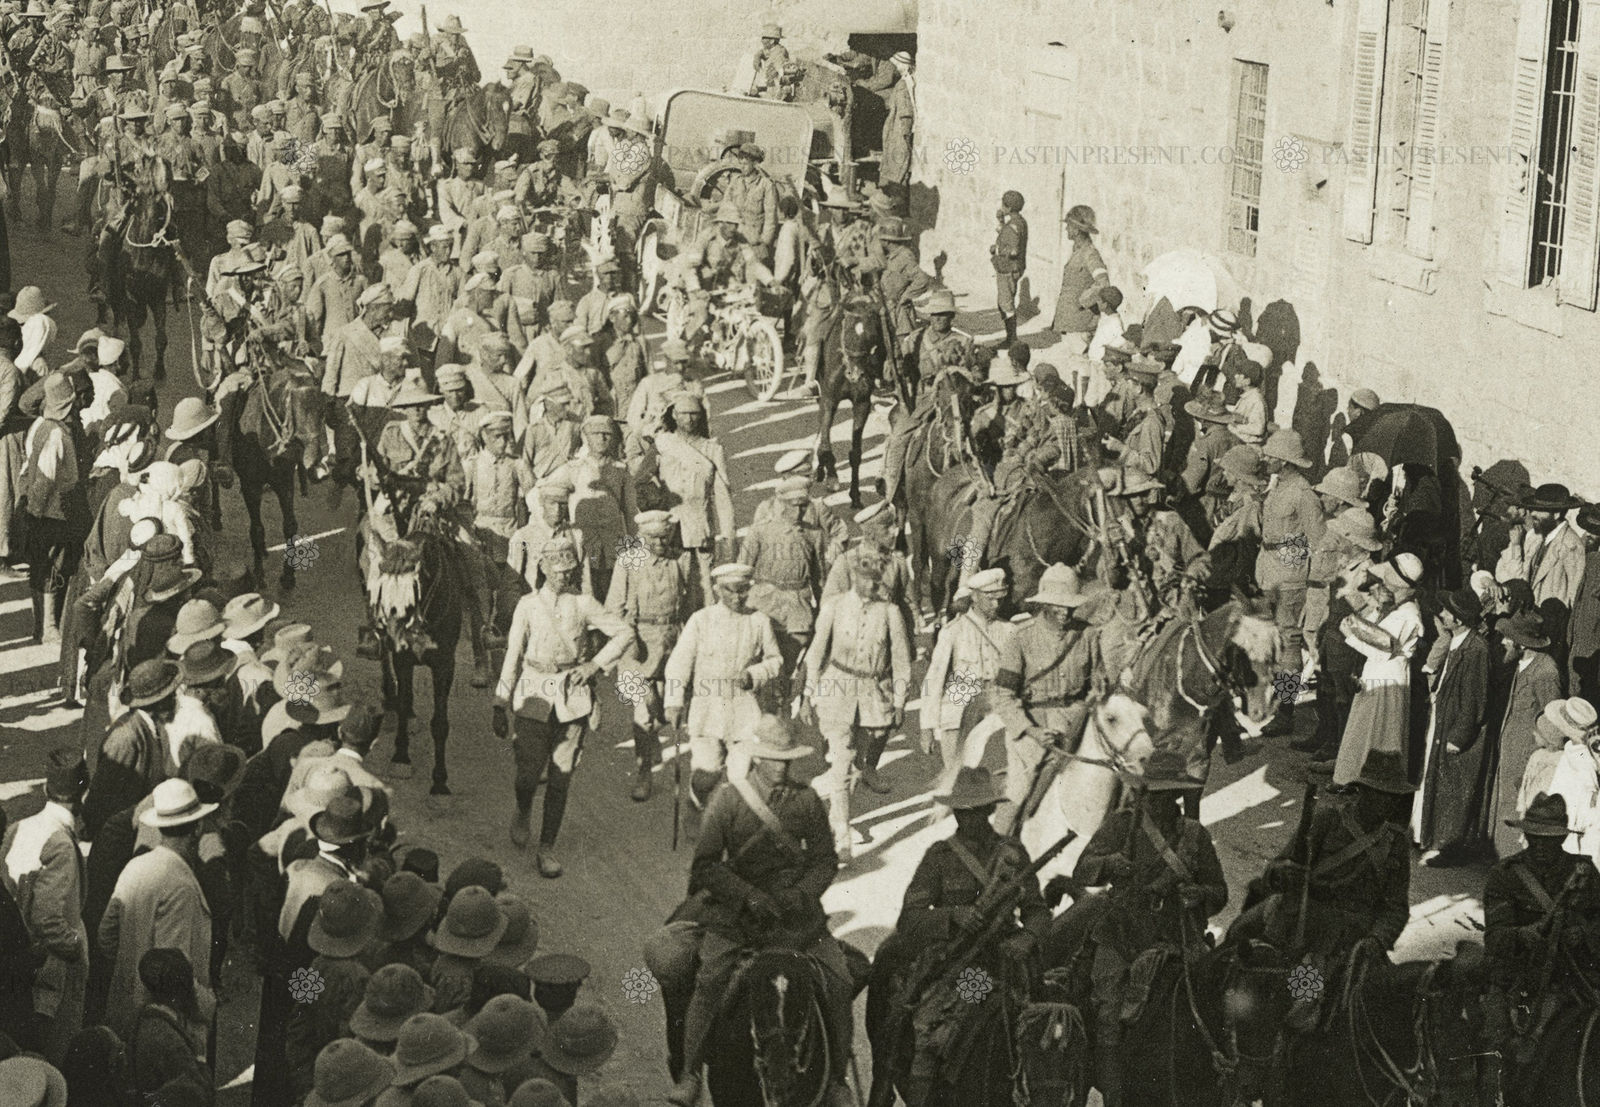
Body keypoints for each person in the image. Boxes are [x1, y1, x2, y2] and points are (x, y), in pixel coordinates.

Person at [663, 716, 853, 1107]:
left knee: (840, 980)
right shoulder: (729, 799)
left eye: (787, 759)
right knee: (710, 979)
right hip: (738, 918)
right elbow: (706, 866)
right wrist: (748, 896)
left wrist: (802, 894)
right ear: (756, 758)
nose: (782, 767)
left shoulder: (807, 800)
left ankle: (835, 1081)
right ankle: (691, 1072)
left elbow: (824, 860)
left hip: (797, 921)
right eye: (773, 759)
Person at [1066, 750, 1226, 1107]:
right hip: (1123, 934)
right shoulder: (1122, 825)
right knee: (1107, 1010)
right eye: (1157, 793)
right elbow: (1082, 869)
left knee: (1216, 1005)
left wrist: (1199, 894)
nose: (1163, 801)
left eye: (1171, 794)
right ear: (1145, 793)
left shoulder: (1195, 837)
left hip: (1177, 937)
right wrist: (1109, 864)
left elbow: (1220, 893)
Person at [886, 766, 1050, 1107]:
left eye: (974, 812)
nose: (966, 819)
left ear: (989, 810)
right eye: (961, 812)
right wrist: (952, 917)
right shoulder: (939, 857)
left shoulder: (1013, 852)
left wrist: (1027, 938)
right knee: (934, 1034)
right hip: (964, 968)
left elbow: (1036, 908)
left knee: (1052, 1035)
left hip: (1010, 961)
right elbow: (910, 919)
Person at [1229, 751, 1413, 1030]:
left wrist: (1376, 940)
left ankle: (1292, 1046)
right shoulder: (1328, 819)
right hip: (1298, 914)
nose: (1387, 802)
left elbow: (1395, 908)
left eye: (1392, 796)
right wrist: (1284, 873)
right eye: (1380, 793)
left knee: (1306, 998)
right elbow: (1278, 866)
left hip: (1344, 936)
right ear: (1362, 791)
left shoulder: (1394, 843)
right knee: (1238, 935)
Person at [493, 538, 634, 876]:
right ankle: (523, 811)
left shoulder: (584, 604)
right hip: (533, 695)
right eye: (556, 571)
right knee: (527, 776)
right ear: (543, 569)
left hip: (573, 701)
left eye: (568, 571)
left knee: (561, 778)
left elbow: (624, 632)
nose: (563, 577)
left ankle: (546, 848)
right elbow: (513, 653)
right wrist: (501, 701)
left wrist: (594, 666)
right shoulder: (527, 606)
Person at [804, 546, 912, 857]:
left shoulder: (890, 612)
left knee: (855, 763)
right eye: (867, 580)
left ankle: (836, 817)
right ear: (855, 577)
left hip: (873, 694)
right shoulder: (834, 608)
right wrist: (808, 695)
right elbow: (816, 654)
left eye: (877, 581)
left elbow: (902, 661)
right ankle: (841, 837)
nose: (874, 586)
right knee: (841, 759)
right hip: (836, 689)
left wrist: (901, 701)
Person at [1481, 792, 1600, 1060]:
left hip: (1575, 976)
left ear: (1562, 838)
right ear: (1527, 836)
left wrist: (1583, 932)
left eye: (1550, 839)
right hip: (1519, 976)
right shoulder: (1505, 876)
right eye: (1536, 838)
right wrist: (1521, 936)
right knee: (1498, 1046)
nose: (1542, 846)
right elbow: (1495, 937)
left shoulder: (1584, 872)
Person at [97, 779, 216, 1041]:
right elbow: (173, 971)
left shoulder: (135, 866)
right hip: (166, 1026)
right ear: (197, 828)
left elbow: (106, 936)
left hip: (126, 1010)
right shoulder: (181, 885)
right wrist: (206, 1004)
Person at [990, 564, 1099, 833]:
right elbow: (1002, 695)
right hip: (1032, 724)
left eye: (1069, 606)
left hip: (1077, 720)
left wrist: (1098, 695)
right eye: (1057, 606)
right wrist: (1032, 731)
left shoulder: (1087, 635)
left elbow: (1098, 681)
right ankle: (1000, 847)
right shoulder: (1020, 640)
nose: (1064, 612)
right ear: (1044, 605)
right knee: (1020, 791)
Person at [2, 749, 90, 1062]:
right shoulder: (61, 844)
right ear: (84, 793)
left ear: (45, 789)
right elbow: (48, 921)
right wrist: (77, 948)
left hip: (17, 964)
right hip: (50, 970)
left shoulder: (20, 828)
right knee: (54, 1055)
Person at [606, 510, 698, 803]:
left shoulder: (680, 559)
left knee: (665, 710)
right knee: (643, 712)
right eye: (654, 538)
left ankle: (651, 741)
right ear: (642, 537)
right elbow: (614, 609)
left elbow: (692, 606)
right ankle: (644, 771)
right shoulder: (629, 561)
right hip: (638, 644)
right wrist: (626, 651)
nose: (660, 543)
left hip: (672, 641)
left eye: (665, 537)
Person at [1413, 586, 1494, 864]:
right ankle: (1430, 837)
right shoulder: (1460, 643)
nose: (1443, 614)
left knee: (1452, 790)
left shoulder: (1476, 650)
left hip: (1456, 732)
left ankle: (1446, 846)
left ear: (1458, 620)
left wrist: (1458, 737)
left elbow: (1474, 701)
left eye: (1447, 611)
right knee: (1437, 781)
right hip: (1443, 720)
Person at [1332, 553, 1425, 787]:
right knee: (1362, 729)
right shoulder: (1393, 607)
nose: (1383, 585)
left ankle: (1367, 784)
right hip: (1376, 675)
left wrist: (1350, 632)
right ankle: (1350, 778)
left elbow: (1383, 647)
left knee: (1380, 733)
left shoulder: (1409, 614)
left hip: (1389, 679)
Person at [1256, 429, 1325, 736]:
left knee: (1289, 644)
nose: (1265, 458)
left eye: (1270, 455)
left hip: (1290, 579)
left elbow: (1318, 542)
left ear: (1284, 462)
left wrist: (1293, 563)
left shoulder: (1303, 494)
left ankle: (1286, 711)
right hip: (1269, 573)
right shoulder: (1278, 486)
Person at [1492, 611, 1566, 858]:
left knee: (1516, 812)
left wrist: (1535, 759)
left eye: (1507, 638)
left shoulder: (1546, 671)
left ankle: (1511, 864)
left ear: (1521, 643)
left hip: (1526, 757)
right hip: (1512, 752)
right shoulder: (1522, 663)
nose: (1503, 642)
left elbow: (1552, 723)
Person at [1050, 205, 1108, 353]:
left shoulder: (1090, 254)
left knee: (1080, 364)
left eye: (1068, 226)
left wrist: (1083, 300)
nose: (1066, 229)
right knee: (1074, 364)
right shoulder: (1078, 250)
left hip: (1080, 321)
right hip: (1072, 321)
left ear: (1076, 230)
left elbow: (1103, 283)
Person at [991, 190, 1028, 346]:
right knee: (1004, 302)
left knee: (1006, 304)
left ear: (1008, 207)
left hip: (1008, 268)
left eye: (1003, 204)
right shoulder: (1018, 221)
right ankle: (1010, 338)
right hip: (1011, 267)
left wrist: (996, 250)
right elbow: (1005, 235)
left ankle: (1011, 339)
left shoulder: (1013, 225)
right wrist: (1000, 220)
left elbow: (1014, 250)